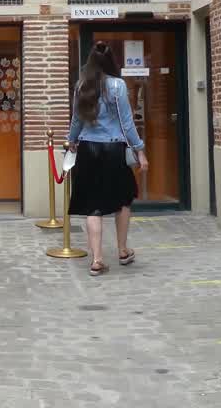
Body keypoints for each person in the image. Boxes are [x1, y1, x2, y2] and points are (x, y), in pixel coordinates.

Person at [65, 41, 149, 276]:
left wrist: (71, 141)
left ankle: (97, 260)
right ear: (112, 61)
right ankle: (122, 250)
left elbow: (76, 119)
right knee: (123, 200)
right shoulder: (118, 86)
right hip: (113, 150)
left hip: (88, 149)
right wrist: (139, 149)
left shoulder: (82, 85)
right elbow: (126, 122)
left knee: (93, 206)